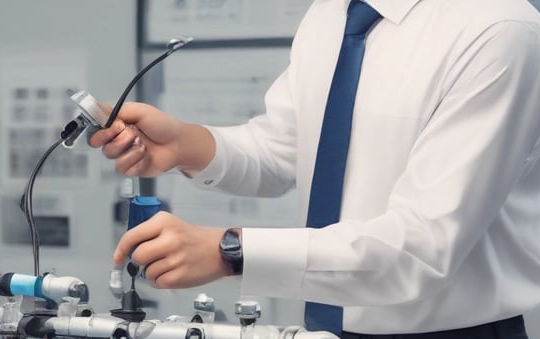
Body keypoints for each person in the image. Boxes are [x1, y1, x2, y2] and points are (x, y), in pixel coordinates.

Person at [91, 0, 540, 338]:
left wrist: (231, 251)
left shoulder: (498, 29)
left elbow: (421, 247)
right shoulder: (329, 14)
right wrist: (187, 144)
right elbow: (282, 149)